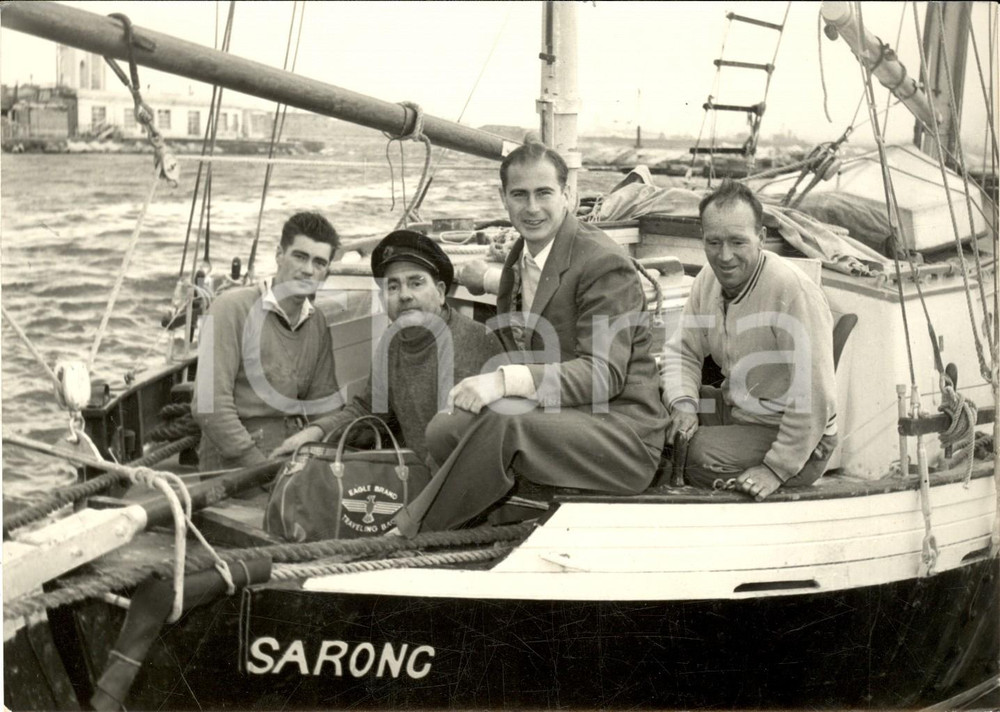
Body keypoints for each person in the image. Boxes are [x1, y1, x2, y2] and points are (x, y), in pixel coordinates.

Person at [393, 142, 668, 536]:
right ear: (503, 199)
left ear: (567, 195)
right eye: (519, 195)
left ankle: (415, 531)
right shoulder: (521, 256)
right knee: (445, 428)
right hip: (562, 416)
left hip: (622, 433)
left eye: (544, 193)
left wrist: (503, 382)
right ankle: (505, 512)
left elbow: (603, 375)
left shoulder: (604, 264)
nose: (532, 207)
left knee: (507, 425)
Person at [660, 180, 838, 501]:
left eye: (737, 242)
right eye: (713, 242)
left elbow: (815, 396)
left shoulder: (792, 290)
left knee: (697, 456)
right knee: (653, 404)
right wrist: (683, 405)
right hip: (738, 411)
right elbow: (683, 352)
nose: (724, 256)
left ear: (762, 238)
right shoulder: (708, 279)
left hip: (800, 441)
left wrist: (776, 468)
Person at [272, 229, 506, 462]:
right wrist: (317, 432)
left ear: (441, 292)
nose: (404, 295)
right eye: (393, 287)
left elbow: (482, 445)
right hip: (420, 472)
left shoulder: (474, 342)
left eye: (416, 283)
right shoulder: (393, 340)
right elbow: (369, 409)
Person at [192, 211, 342, 470]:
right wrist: (264, 471)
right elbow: (210, 407)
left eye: (319, 263)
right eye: (299, 256)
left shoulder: (316, 323)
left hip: (291, 459)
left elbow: (325, 405)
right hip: (236, 469)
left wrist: (316, 435)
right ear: (279, 255)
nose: (308, 270)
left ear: (326, 272)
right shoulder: (230, 308)